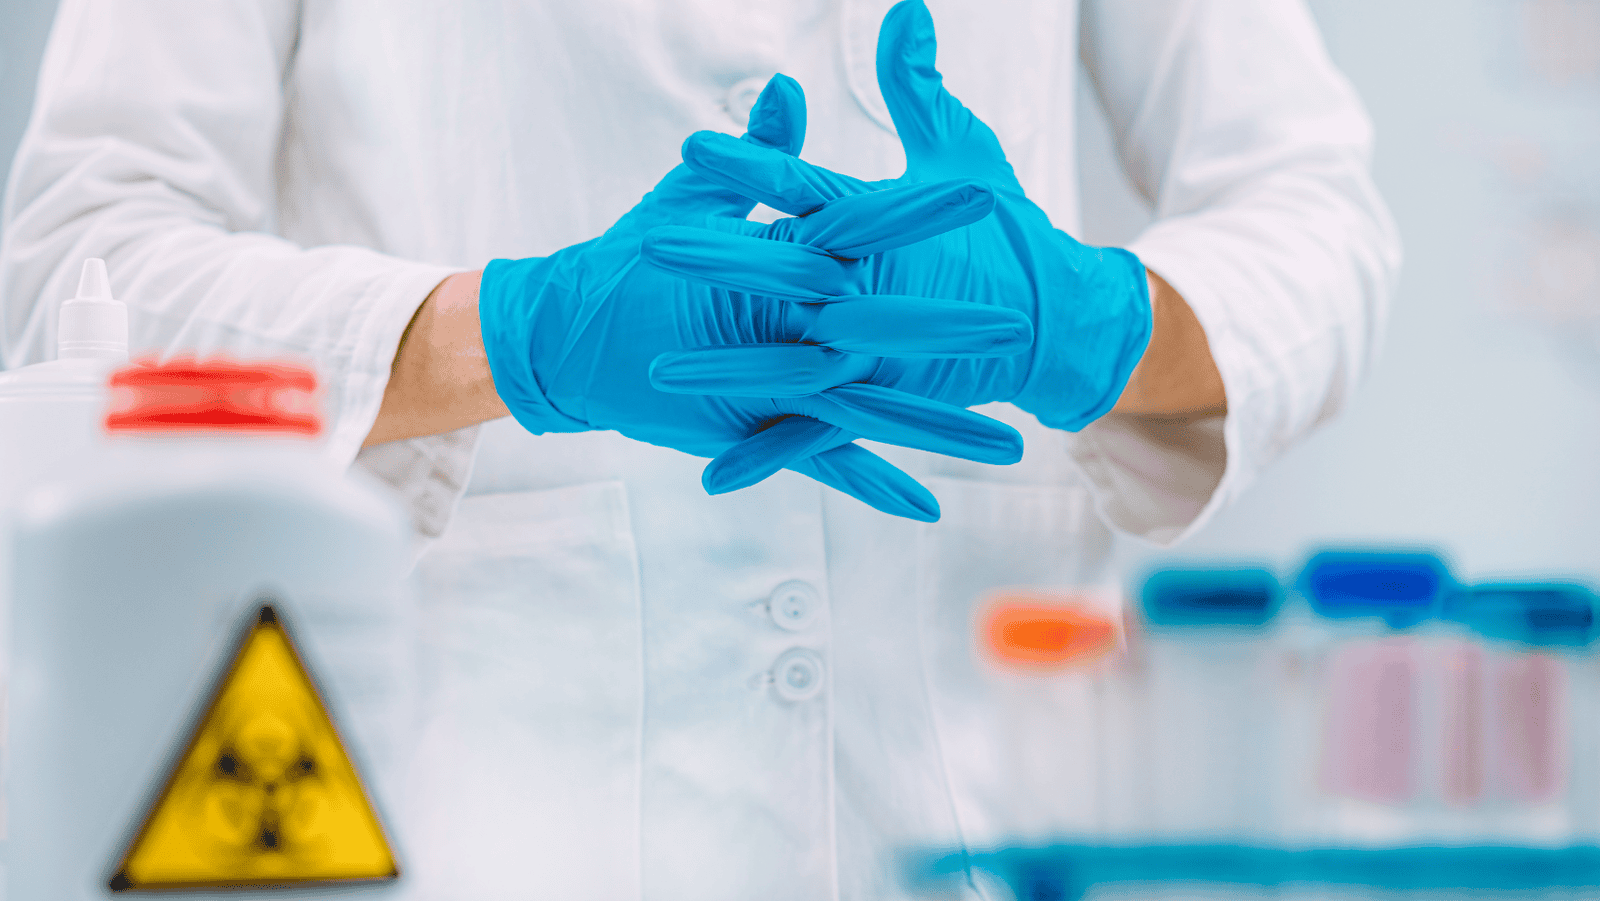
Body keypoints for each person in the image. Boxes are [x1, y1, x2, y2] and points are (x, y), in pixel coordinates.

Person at [0, 0, 1399, 897]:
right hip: (474, 815)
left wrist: (1086, 320)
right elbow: (77, 268)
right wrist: (507, 333)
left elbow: (1320, 228)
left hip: (956, 823)